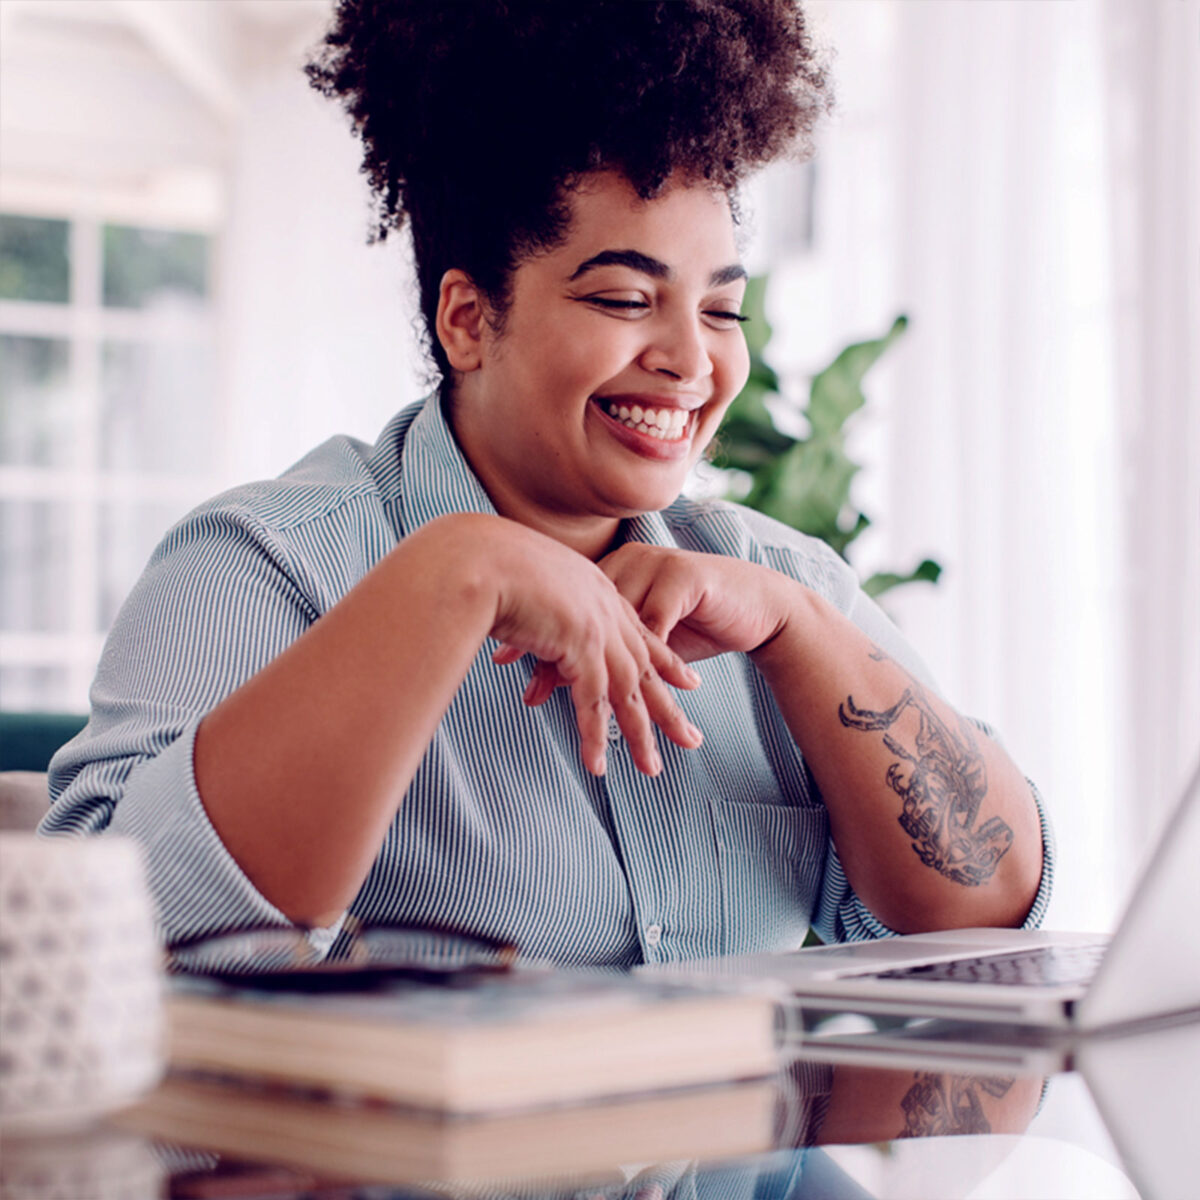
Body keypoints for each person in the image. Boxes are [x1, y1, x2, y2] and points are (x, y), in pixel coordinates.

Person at [44, 0, 1051, 965]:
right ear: (469, 320)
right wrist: (451, 575)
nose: (689, 361)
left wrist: (802, 636)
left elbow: (989, 915)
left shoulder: (774, 585)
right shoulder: (263, 565)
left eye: (721, 311)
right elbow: (104, 947)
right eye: (624, 297)